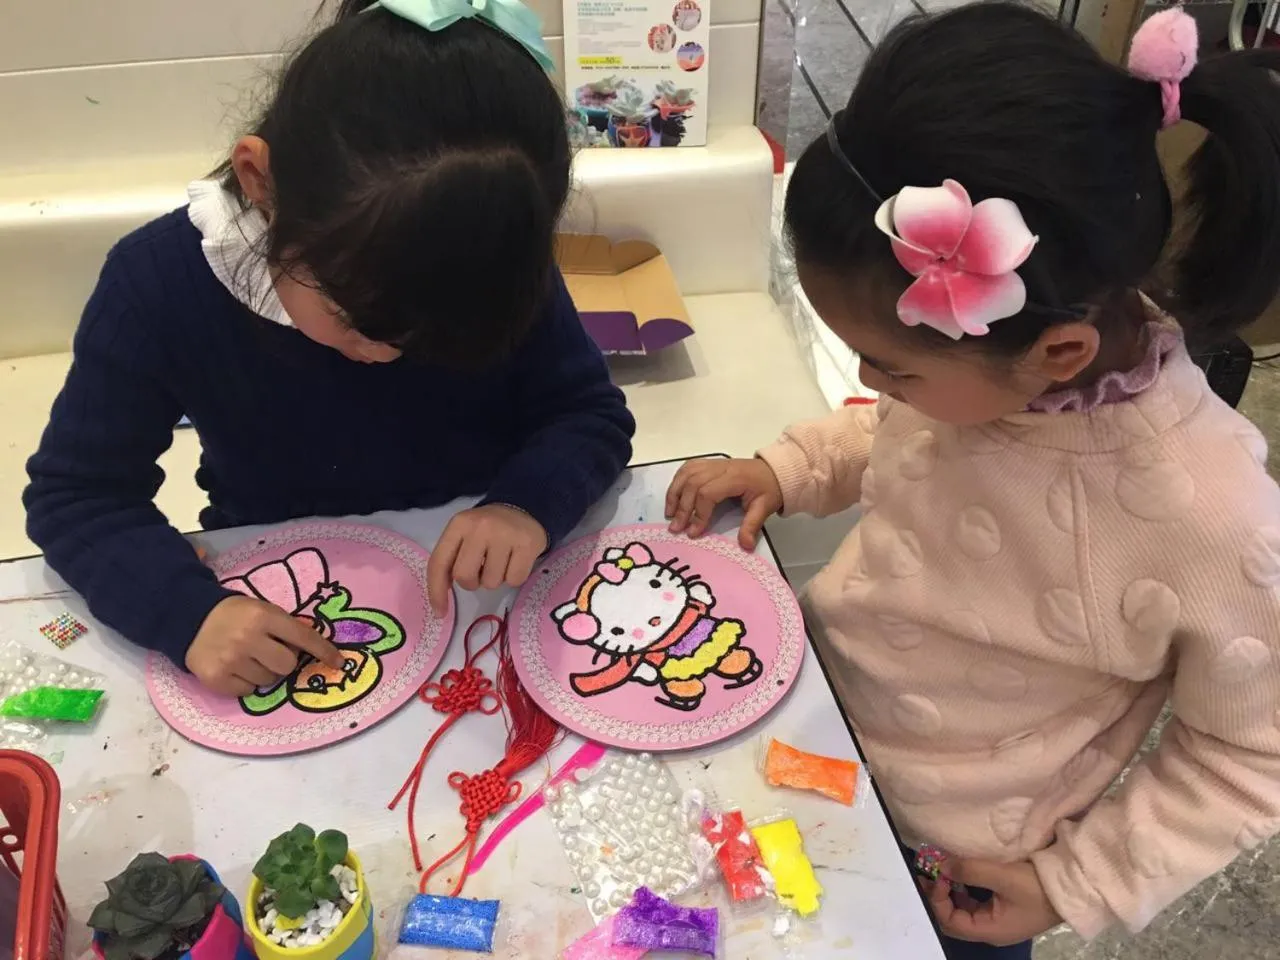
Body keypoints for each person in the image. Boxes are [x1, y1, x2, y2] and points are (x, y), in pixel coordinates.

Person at [666, 4, 1280, 958]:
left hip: (957, 869)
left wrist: (1074, 880)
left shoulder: (1208, 516)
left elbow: (1252, 753)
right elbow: (905, 435)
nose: (870, 382)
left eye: (890, 364)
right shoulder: (993, 372)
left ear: (1060, 350)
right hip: (814, 725)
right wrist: (790, 468)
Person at [24, 0, 634, 699]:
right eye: (357, 318)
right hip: (284, 594)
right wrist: (188, 612)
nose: (388, 356)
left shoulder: (489, 247)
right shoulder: (156, 286)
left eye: (442, 335)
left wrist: (525, 505)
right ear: (259, 182)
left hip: (480, 599)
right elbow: (78, 496)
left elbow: (586, 412)